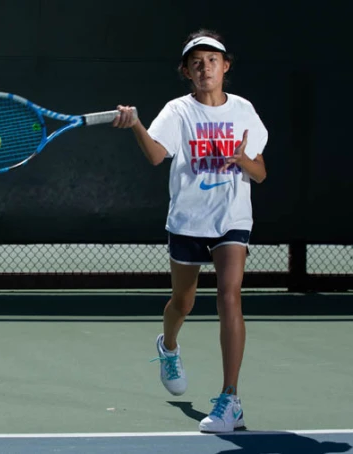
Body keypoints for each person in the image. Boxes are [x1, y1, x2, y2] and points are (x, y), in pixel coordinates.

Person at [112, 29, 268, 433]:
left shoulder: (244, 111)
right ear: (187, 71)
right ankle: (169, 346)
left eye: (212, 60)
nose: (205, 68)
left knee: (229, 296)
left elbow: (261, 173)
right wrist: (135, 125)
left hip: (232, 218)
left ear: (225, 66)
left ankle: (230, 399)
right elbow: (156, 155)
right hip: (188, 220)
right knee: (182, 302)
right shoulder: (178, 111)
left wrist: (241, 162)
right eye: (196, 63)